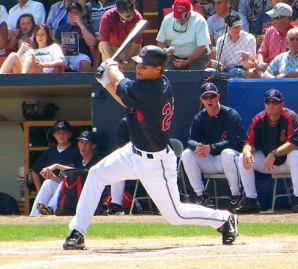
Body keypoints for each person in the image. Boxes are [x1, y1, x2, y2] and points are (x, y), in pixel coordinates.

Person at [62, 45, 239, 250]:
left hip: (156, 163)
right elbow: (126, 99)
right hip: (133, 151)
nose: (139, 67)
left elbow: (120, 82)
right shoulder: (153, 84)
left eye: (145, 66)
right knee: (96, 174)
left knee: (176, 215)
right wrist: (106, 81)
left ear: (157, 69)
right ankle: (77, 231)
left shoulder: (152, 90)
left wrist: (110, 64)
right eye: (139, 63)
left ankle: (224, 219)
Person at [235, 89, 298, 214]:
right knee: (243, 156)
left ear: (282, 103)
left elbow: (294, 144)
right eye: (268, 102)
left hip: (288, 163)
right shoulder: (259, 119)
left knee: (295, 155)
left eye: (274, 102)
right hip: (267, 163)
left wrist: (273, 153)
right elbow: (250, 143)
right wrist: (247, 150)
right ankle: (251, 200)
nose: (271, 105)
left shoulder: (290, 116)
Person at [181, 82, 244, 209]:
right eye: (206, 97)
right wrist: (197, 146)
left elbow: (233, 142)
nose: (209, 100)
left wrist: (211, 148)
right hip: (210, 159)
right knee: (187, 154)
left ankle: (236, 194)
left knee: (227, 153)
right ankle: (201, 195)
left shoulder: (231, 115)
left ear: (218, 97)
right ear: (201, 100)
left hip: (231, 159)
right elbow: (190, 140)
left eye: (212, 96)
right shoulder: (200, 117)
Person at [30, 130, 100, 216]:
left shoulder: (96, 161)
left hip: (87, 197)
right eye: (81, 142)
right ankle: (34, 215)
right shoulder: (79, 162)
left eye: (87, 143)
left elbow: (81, 172)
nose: (83, 146)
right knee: (48, 182)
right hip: (73, 194)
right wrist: (52, 176)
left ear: (93, 146)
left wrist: (56, 166)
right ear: (78, 144)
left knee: (65, 182)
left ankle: (51, 208)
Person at [243, 3, 295, 78]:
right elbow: (262, 52)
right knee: (249, 73)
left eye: (275, 17)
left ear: (286, 19)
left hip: (286, 73)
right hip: (267, 70)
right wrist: (260, 62)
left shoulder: (296, 36)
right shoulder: (270, 31)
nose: (271, 19)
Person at [157, 0, 211, 70]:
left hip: (197, 57)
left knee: (193, 78)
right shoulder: (168, 19)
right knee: (169, 76)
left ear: (190, 11)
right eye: (177, 15)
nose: (180, 19)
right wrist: (165, 50)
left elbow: (201, 46)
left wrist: (187, 62)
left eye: (183, 16)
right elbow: (160, 40)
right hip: (174, 57)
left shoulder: (199, 20)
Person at [30, 120, 82, 192]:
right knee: (48, 183)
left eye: (64, 132)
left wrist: (57, 166)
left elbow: (79, 171)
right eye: (58, 133)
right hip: (52, 189)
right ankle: (41, 203)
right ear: (54, 135)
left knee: (48, 183)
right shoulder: (49, 152)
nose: (61, 135)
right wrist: (39, 191)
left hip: (70, 189)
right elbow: (35, 171)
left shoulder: (77, 151)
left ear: (70, 134)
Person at [0, 24, 65, 74]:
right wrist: (21, 50)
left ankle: (23, 78)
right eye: (38, 35)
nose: (40, 37)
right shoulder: (31, 50)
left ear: (47, 36)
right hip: (29, 73)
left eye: (43, 34)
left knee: (30, 56)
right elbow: (16, 61)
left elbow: (61, 61)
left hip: (43, 75)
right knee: (13, 55)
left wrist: (44, 65)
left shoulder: (53, 47)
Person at [98, 0, 143, 72]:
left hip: (129, 49)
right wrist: (115, 61)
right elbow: (105, 42)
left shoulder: (138, 17)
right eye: (128, 16)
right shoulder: (107, 17)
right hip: (111, 47)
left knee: (129, 74)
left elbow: (136, 44)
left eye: (133, 14)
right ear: (119, 12)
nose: (131, 17)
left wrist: (126, 62)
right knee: (110, 72)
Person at [55, 2, 97, 72]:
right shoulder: (60, 29)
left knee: (84, 63)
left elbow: (92, 43)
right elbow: (54, 46)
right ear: (68, 15)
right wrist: (60, 48)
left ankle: (85, 83)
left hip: (81, 56)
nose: (74, 14)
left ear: (81, 14)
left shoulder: (87, 27)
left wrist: (81, 25)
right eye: (71, 13)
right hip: (64, 55)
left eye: (76, 12)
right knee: (57, 64)